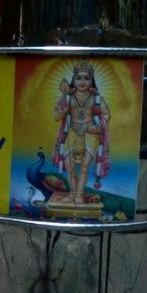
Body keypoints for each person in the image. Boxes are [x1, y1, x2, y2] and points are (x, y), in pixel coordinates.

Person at [53, 61, 111, 204]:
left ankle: (79, 196)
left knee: (85, 167)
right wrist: (63, 111)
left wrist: (97, 127)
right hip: (71, 133)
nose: (82, 82)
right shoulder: (67, 97)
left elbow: (106, 115)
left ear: (92, 80)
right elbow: (55, 116)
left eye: (87, 78)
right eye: (79, 78)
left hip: (90, 134)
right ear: (74, 79)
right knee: (70, 168)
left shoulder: (96, 98)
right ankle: (72, 195)